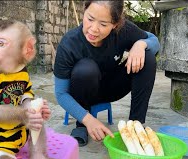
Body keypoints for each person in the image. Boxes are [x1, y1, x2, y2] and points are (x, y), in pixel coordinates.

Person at [54, 0, 160, 147]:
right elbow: (61, 94)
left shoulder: (124, 30)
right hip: (83, 92)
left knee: (147, 56)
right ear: (84, 11)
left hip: (112, 88)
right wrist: (88, 119)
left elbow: (154, 40)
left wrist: (140, 44)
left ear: (115, 24)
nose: (93, 29)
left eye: (103, 24)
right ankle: (81, 126)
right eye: (90, 19)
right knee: (86, 69)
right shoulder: (69, 44)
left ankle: (136, 126)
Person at [0, 19, 67, 159]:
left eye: (1, 43)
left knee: (36, 120)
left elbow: (25, 97)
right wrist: (23, 115)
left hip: (18, 131)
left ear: (27, 50)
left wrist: (34, 109)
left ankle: (39, 155)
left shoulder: (22, 73)